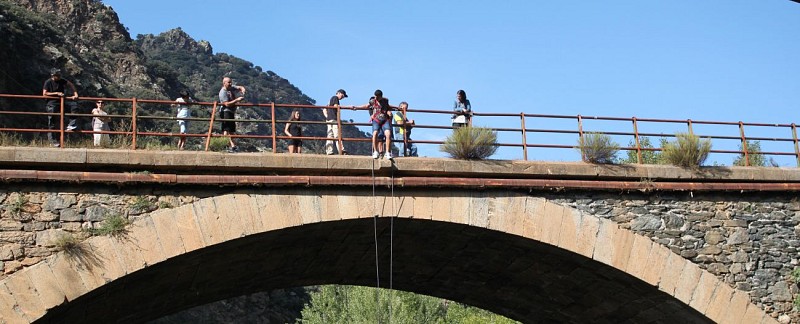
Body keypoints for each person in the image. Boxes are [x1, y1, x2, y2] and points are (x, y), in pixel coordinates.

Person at [42, 68, 80, 146]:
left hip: (62, 102)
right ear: (53, 76)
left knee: (74, 106)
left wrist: (75, 94)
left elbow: (70, 84)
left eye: (59, 75)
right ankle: (53, 141)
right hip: (52, 104)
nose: (59, 77)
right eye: (57, 75)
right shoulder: (48, 82)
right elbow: (44, 93)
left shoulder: (62, 80)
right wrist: (56, 93)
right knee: (52, 122)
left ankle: (72, 124)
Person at [356, 90, 393, 159]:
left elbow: (388, 106)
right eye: (375, 96)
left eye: (377, 97)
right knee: (375, 133)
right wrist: (357, 107)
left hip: (385, 119)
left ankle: (388, 152)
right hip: (376, 120)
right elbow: (366, 105)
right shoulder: (373, 101)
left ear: (381, 96)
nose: (376, 98)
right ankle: (375, 151)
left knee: (388, 134)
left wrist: (396, 108)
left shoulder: (385, 100)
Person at [218, 77, 246, 152]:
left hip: (231, 111)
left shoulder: (231, 88)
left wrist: (242, 90)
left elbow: (239, 87)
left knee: (231, 130)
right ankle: (224, 145)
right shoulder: (222, 92)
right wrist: (237, 100)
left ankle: (233, 146)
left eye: (231, 82)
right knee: (226, 129)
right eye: (229, 82)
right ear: (224, 83)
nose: (230, 84)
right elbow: (226, 104)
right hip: (225, 111)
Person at [324, 89, 350, 155]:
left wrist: (327, 116)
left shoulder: (330, 100)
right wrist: (348, 107)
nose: (342, 97)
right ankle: (341, 150)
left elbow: (324, 109)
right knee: (337, 135)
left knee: (330, 135)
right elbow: (336, 106)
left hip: (329, 119)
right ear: (339, 93)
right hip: (334, 119)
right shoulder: (335, 98)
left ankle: (329, 151)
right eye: (342, 95)